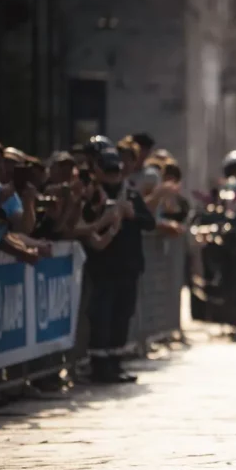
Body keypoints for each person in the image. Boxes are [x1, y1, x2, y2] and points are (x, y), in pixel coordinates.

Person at [84, 148, 156, 383]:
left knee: (122, 315)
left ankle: (116, 363)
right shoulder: (93, 196)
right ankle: (99, 365)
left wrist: (133, 215)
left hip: (128, 267)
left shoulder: (132, 195)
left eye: (116, 170)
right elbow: (84, 223)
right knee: (101, 316)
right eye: (108, 170)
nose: (113, 175)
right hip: (103, 267)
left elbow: (150, 223)